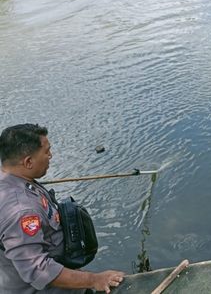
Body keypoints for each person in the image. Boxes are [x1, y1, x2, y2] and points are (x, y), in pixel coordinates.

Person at [0, 124, 125, 294]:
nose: (51, 156)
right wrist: (94, 280)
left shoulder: (12, 178)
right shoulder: (22, 211)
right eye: (46, 152)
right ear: (28, 162)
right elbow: (38, 270)